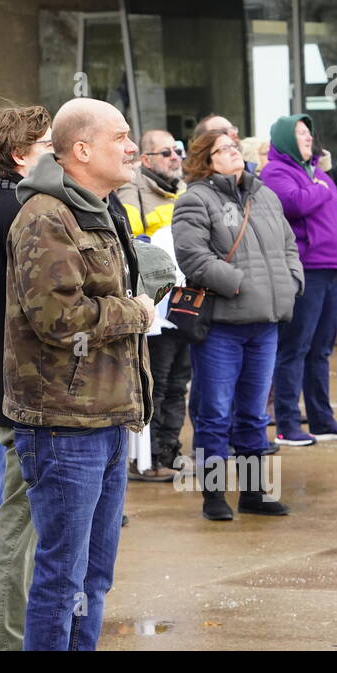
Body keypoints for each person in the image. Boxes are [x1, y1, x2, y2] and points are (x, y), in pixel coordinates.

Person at [3, 98, 155, 651]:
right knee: (62, 574)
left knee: (94, 574)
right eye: (120, 136)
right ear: (83, 150)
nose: (131, 146)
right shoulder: (46, 214)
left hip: (104, 417)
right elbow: (59, 318)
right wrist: (136, 312)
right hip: (64, 423)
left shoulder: (99, 208)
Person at [172, 128, 303, 521]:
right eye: (223, 149)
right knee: (214, 413)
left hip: (265, 324)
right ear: (205, 159)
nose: (233, 152)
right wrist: (238, 284)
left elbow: (289, 245)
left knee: (253, 413)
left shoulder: (265, 195)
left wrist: (293, 280)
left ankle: (253, 493)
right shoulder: (196, 199)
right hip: (222, 326)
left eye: (234, 146)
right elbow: (192, 257)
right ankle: (213, 495)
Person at [0, 104, 51, 651]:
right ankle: (11, 638)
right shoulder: (16, 210)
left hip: (10, 386)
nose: (58, 153)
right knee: (19, 524)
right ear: (20, 154)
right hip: (21, 389)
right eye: (48, 144)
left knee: (23, 520)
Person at [260, 115, 337, 446]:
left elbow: (336, 215)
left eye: (308, 132)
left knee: (321, 349)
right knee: (295, 348)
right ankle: (288, 423)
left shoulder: (318, 173)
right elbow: (294, 204)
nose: (307, 138)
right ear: (285, 138)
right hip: (308, 270)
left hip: (335, 268)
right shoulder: (275, 172)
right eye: (299, 133)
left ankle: (322, 419)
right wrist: (316, 188)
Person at [118, 129, 190, 480]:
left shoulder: (184, 191)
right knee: (157, 383)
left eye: (178, 150)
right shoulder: (132, 192)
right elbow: (136, 244)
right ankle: (147, 459)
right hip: (155, 308)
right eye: (166, 152)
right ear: (145, 160)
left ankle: (169, 448)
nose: (175, 157)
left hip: (185, 306)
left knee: (178, 383)